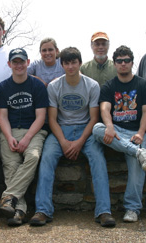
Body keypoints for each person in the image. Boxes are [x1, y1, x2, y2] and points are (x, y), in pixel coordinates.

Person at [29, 47, 113, 227]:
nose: (70, 66)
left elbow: (94, 118)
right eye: (66, 63)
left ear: (80, 63)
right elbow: (52, 119)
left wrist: (80, 142)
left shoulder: (91, 85)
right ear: (62, 65)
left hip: (86, 130)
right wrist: (64, 143)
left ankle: (104, 211)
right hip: (61, 129)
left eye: (74, 62)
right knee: (46, 158)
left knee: (98, 159)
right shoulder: (54, 86)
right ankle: (43, 210)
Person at [92, 45, 146, 223]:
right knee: (97, 129)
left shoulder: (143, 85)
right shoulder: (110, 86)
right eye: (119, 61)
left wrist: (141, 134)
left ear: (132, 63)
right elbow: (105, 107)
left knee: (136, 165)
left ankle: (132, 209)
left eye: (127, 61)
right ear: (115, 64)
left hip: (137, 132)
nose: (123, 64)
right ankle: (137, 152)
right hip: (117, 130)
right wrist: (109, 125)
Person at [0, 48, 48, 226]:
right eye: (15, 62)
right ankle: (18, 211)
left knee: (32, 157)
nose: (19, 65)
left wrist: (27, 138)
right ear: (9, 64)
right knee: (11, 165)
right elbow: (2, 116)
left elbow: (41, 116)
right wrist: (9, 136)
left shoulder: (37, 86)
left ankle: (8, 197)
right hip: (10, 130)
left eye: (22, 61)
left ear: (28, 62)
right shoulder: (3, 87)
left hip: (33, 131)